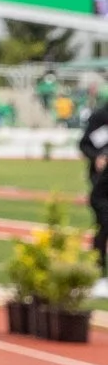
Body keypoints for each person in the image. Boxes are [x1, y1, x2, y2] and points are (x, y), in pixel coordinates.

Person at [84, 86, 108, 271]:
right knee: (103, 222)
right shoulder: (99, 117)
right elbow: (84, 144)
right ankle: (98, 264)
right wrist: (96, 157)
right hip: (101, 178)